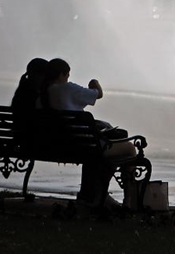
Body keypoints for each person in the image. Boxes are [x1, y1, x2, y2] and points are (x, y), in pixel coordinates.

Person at [38, 58, 137, 209]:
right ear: (60, 75)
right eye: (67, 75)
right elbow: (97, 94)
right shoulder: (66, 89)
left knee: (109, 143)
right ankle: (127, 201)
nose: (67, 79)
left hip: (57, 146)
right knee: (129, 148)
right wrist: (95, 82)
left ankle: (94, 194)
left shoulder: (41, 97)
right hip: (83, 147)